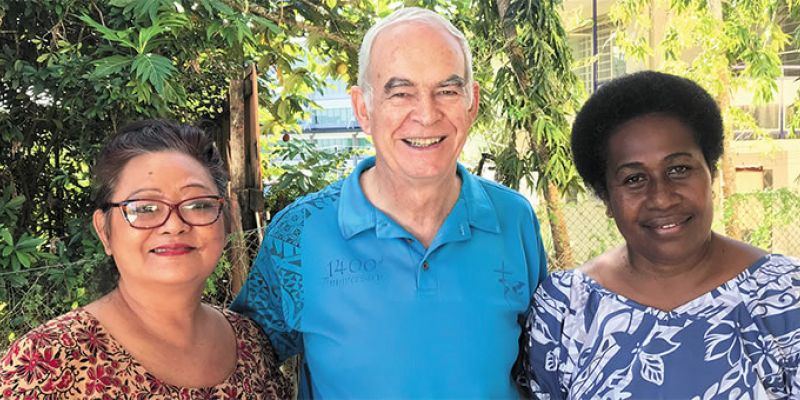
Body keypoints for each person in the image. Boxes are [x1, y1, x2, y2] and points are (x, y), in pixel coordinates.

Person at [231, 6, 549, 398]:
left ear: (472, 102)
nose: (427, 114)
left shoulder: (513, 219)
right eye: (401, 93)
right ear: (363, 109)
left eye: (447, 91)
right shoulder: (301, 233)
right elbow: (242, 364)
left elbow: (539, 364)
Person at [522, 71, 800, 399]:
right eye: (634, 179)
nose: (662, 197)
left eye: (678, 169)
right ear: (606, 198)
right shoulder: (565, 307)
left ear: (711, 173)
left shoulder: (784, 295)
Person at [0, 120, 289, 399]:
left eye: (198, 204)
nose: (174, 225)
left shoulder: (251, 344)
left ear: (224, 220)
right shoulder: (45, 363)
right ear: (104, 230)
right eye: (145, 207)